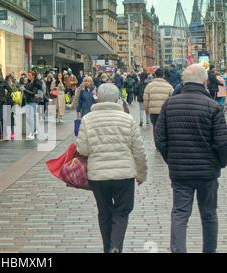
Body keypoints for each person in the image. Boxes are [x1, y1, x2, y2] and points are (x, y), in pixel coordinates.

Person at [154, 64, 227, 253]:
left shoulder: (170, 104)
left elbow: (160, 138)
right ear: (204, 82)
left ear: (184, 82)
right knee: (209, 214)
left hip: (180, 172)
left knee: (180, 214)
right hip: (207, 172)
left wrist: (172, 159)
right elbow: (222, 142)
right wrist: (220, 163)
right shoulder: (213, 107)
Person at [76, 83, 147, 253]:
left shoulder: (87, 119)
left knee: (104, 212)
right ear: (117, 99)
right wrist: (141, 174)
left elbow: (83, 149)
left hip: (98, 176)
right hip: (124, 175)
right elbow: (139, 150)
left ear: (98, 98)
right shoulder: (127, 119)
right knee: (122, 212)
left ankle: (107, 247)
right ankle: (115, 246)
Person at [22, 71, 42, 140]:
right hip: (27, 101)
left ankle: (32, 133)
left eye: (30, 75)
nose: (28, 76)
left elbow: (33, 93)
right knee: (30, 117)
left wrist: (24, 90)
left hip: (32, 101)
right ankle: (35, 130)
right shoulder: (28, 82)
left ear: (33, 76)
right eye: (28, 75)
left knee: (30, 117)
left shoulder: (35, 84)